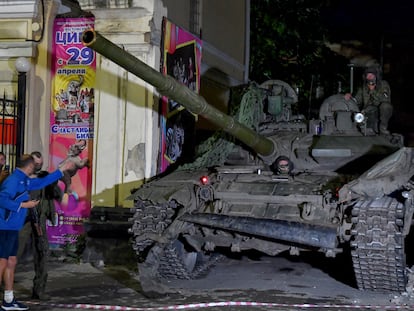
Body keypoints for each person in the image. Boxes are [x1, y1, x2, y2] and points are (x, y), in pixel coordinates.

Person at [0, 154, 75, 311]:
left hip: (24, 224)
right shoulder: (15, 180)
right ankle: (6, 296)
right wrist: (23, 205)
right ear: (30, 166)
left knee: (17, 260)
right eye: (35, 165)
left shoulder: (26, 179)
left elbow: (42, 183)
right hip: (10, 226)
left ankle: (14, 297)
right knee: (5, 262)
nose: (37, 167)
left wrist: (61, 171)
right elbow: (3, 199)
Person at [18, 152, 62, 300]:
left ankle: (39, 290)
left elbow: (57, 195)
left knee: (43, 253)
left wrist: (53, 182)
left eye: (40, 164)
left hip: (40, 220)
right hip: (22, 220)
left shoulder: (44, 178)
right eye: (35, 164)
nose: (38, 166)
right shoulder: (20, 178)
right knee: (12, 254)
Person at [345, 66, 393, 134]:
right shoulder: (364, 87)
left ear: (376, 76)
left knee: (386, 106)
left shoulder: (383, 84)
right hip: (368, 109)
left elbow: (385, 98)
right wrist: (350, 97)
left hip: (380, 108)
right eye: (368, 75)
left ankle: (383, 128)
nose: (370, 77)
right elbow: (357, 100)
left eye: (372, 75)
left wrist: (372, 91)